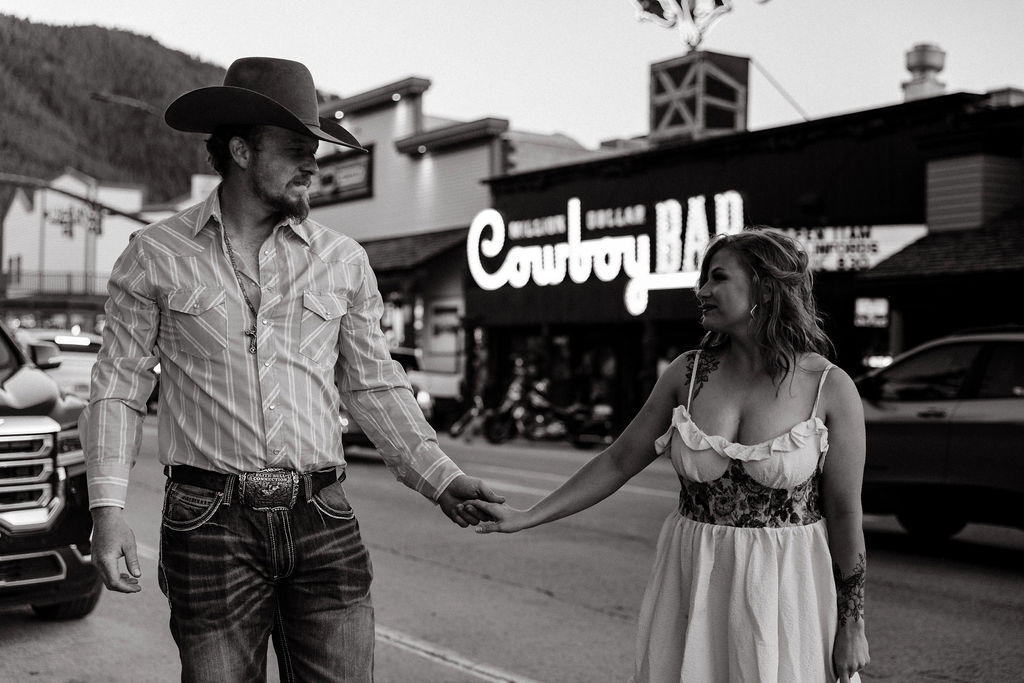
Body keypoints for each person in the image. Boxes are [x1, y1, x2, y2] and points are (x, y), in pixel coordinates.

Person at [80, 57, 502, 683]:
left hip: (322, 515)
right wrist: (108, 509)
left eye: (316, 150)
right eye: (296, 149)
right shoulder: (154, 256)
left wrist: (441, 479)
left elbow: (373, 384)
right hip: (208, 521)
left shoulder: (343, 261)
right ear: (242, 151)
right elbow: (117, 388)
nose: (313, 164)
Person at [467, 228, 871, 682]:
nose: (702, 291)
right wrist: (528, 516)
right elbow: (619, 461)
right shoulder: (688, 372)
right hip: (695, 581)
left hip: (787, 588)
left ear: (764, 285)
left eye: (718, 278)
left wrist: (852, 622)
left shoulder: (829, 388)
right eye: (703, 279)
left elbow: (843, 511)